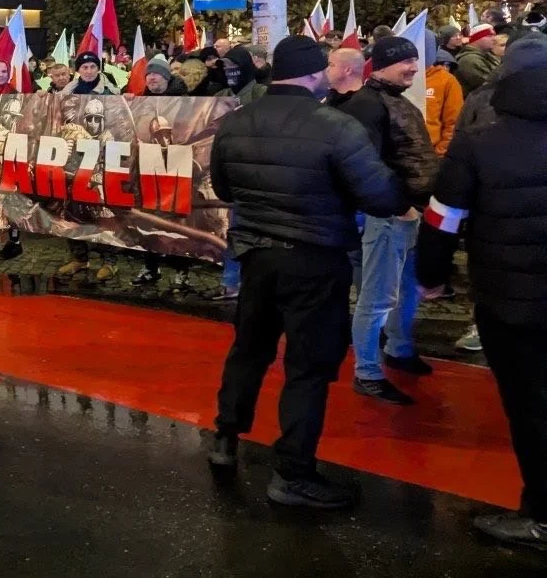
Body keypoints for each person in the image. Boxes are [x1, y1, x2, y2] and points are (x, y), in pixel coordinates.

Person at [209, 36, 405, 508]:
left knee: (249, 350)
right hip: (315, 259)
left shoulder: (235, 123)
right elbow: (381, 196)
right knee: (308, 367)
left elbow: (223, 187)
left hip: (256, 255)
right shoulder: (335, 127)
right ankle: (293, 472)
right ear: (317, 73)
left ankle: (225, 439)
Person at [415, 32, 547, 550]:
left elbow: (442, 219)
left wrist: (432, 278)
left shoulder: (481, 139)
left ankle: (542, 516)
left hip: (511, 303)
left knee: (532, 408)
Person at [334, 36, 439, 405]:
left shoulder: (392, 100)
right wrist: (397, 206)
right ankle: (367, 371)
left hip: (407, 213)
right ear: (380, 65)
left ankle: (400, 348)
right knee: (377, 297)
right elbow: (364, 166)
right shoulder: (368, 104)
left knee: (405, 289)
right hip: (388, 215)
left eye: (414, 59)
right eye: (404, 61)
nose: (412, 66)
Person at [425, 42, 464, 156]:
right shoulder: (397, 79)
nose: (445, 68)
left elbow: (454, 121)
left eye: (448, 65)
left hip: (430, 154)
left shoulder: (447, 81)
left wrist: (440, 153)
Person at [455, 22, 501, 95]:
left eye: (494, 35)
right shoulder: (469, 60)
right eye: (489, 36)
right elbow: (490, 84)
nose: (494, 39)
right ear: (476, 38)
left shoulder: (488, 55)